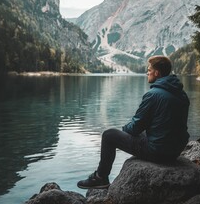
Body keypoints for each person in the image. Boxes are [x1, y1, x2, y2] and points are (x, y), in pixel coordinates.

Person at [77, 55, 190, 189]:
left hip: (159, 152)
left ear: (156, 73)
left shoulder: (153, 94)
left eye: (149, 69)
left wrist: (125, 129)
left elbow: (135, 128)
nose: (147, 72)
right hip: (175, 150)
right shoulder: (181, 94)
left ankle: (101, 177)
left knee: (109, 135)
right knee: (143, 133)